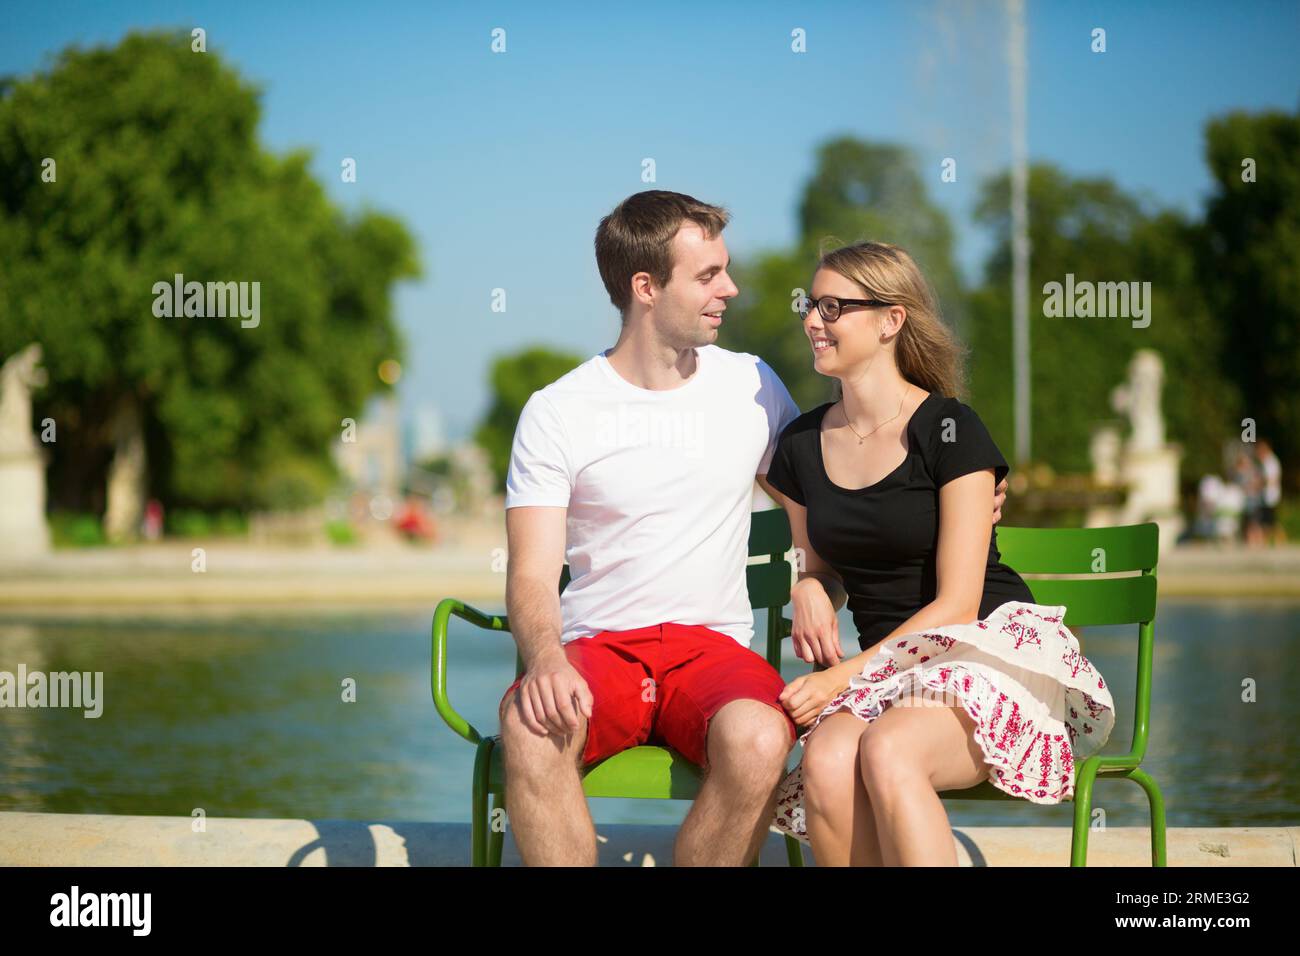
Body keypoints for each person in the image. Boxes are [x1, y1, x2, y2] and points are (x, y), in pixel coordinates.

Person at [497, 190, 1011, 866]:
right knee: (528, 726)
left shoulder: (753, 386)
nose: (730, 289)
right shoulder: (557, 411)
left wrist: (815, 579)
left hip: (713, 652)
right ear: (645, 287)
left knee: (763, 739)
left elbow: (826, 504)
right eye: (708, 275)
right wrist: (545, 660)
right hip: (602, 647)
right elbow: (531, 573)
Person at [762, 240, 1114, 866]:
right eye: (812, 305)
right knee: (826, 758)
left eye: (834, 306)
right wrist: (808, 587)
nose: (814, 320)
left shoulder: (951, 430)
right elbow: (816, 564)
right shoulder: (800, 444)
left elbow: (957, 605)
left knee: (889, 750)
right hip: (888, 671)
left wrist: (840, 677)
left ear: (891, 321)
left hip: (984, 650)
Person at [1256, 440, 1284, 546]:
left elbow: (1272, 478)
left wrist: (1259, 484)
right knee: (1267, 520)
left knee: (1271, 520)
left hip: (1271, 495)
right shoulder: (1267, 461)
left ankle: (1279, 539)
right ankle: (1268, 541)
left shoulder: (1271, 461)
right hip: (1268, 495)